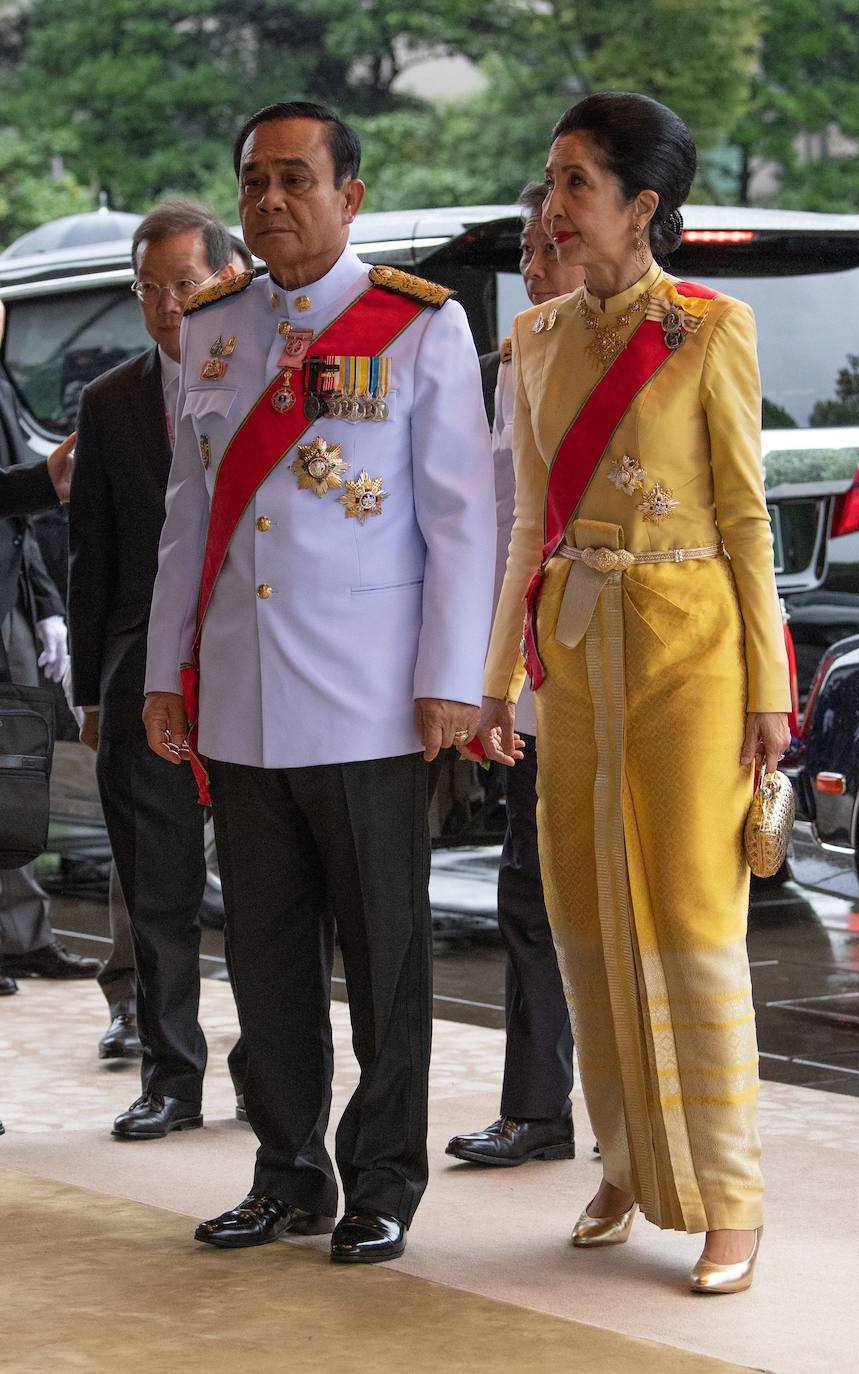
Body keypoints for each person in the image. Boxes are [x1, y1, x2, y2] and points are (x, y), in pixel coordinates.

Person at [142, 101, 495, 1262]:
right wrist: (166, 671)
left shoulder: (414, 325)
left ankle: (383, 1180)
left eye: (296, 179)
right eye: (253, 182)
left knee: (384, 955)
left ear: (350, 194)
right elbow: (186, 520)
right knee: (265, 954)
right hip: (241, 702)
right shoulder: (214, 326)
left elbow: (460, 523)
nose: (272, 201)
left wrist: (453, 677)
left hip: (368, 698)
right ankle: (287, 1172)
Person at [477, 92, 790, 1294]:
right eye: (551, 181)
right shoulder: (535, 339)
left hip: (692, 653)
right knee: (585, 915)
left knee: (692, 921)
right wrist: (497, 678)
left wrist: (770, 684)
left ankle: (728, 1197)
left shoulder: (711, 328)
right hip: (574, 649)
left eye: (575, 184)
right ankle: (624, 1159)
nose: (553, 204)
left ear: (640, 205)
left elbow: (748, 519)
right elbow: (524, 527)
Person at [69, 201, 243, 1137]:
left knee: (267, 890)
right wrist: (93, 694)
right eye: (148, 289)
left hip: (259, 663)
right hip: (147, 675)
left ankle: (272, 1074)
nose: (167, 306)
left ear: (226, 275)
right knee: (158, 887)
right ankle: (171, 1077)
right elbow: (90, 558)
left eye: (184, 284)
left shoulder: (271, 376)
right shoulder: (111, 401)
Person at [446, 182, 584, 1168]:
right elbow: (500, 532)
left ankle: (647, 1121)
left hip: (647, 672)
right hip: (538, 674)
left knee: (634, 908)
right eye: (528, 251)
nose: (530, 270)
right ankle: (537, 1108)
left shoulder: (674, 344)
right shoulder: (513, 361)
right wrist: (487, 677)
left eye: (547, 249)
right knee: (529, 894)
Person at [0, 314, 99, 995]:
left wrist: (46, 608)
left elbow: (16, 523)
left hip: (7, 599)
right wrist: (42, 480)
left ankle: (20, 933)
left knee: (13, 770)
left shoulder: (1, 382)